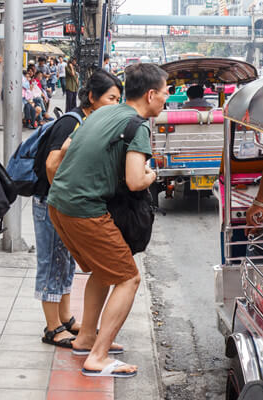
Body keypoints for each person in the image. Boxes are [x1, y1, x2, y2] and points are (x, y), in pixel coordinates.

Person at [47, 63, 164, 378]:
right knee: (129, 278)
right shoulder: (137, 126)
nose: (167, 98)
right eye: (166, 92)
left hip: (58, 203)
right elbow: (136, 180)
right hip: (85, 209)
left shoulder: (100, 113)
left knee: (102, 271)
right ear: (151, 94)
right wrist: (154, 173)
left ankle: (86, 337)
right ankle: (97, 357)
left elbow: (67, 148)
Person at [34, 70, 123, 349]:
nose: (115, 105)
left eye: (119, 99)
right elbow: (51, 165)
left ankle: (65, 318)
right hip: (52, 203)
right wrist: (61, 198)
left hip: (61, 204)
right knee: (51, 262)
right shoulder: (71, 123)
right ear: (92, 98)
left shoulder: (90, 122)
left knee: (65, 262)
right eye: (111, 98)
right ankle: (52, 328)